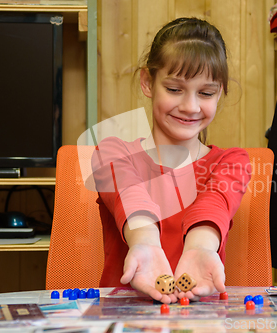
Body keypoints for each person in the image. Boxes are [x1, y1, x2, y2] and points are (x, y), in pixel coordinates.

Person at [91, 17, 251, 304]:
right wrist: (146, 243)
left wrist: (201, 249)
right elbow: (130, 194)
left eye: (205, 93)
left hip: (202, 321)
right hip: (126, 321)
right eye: (175, 89)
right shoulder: (111, 153)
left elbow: (214, 203)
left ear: (220, 93)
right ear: (147, 82)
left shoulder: (232, 162)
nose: (190, 107)